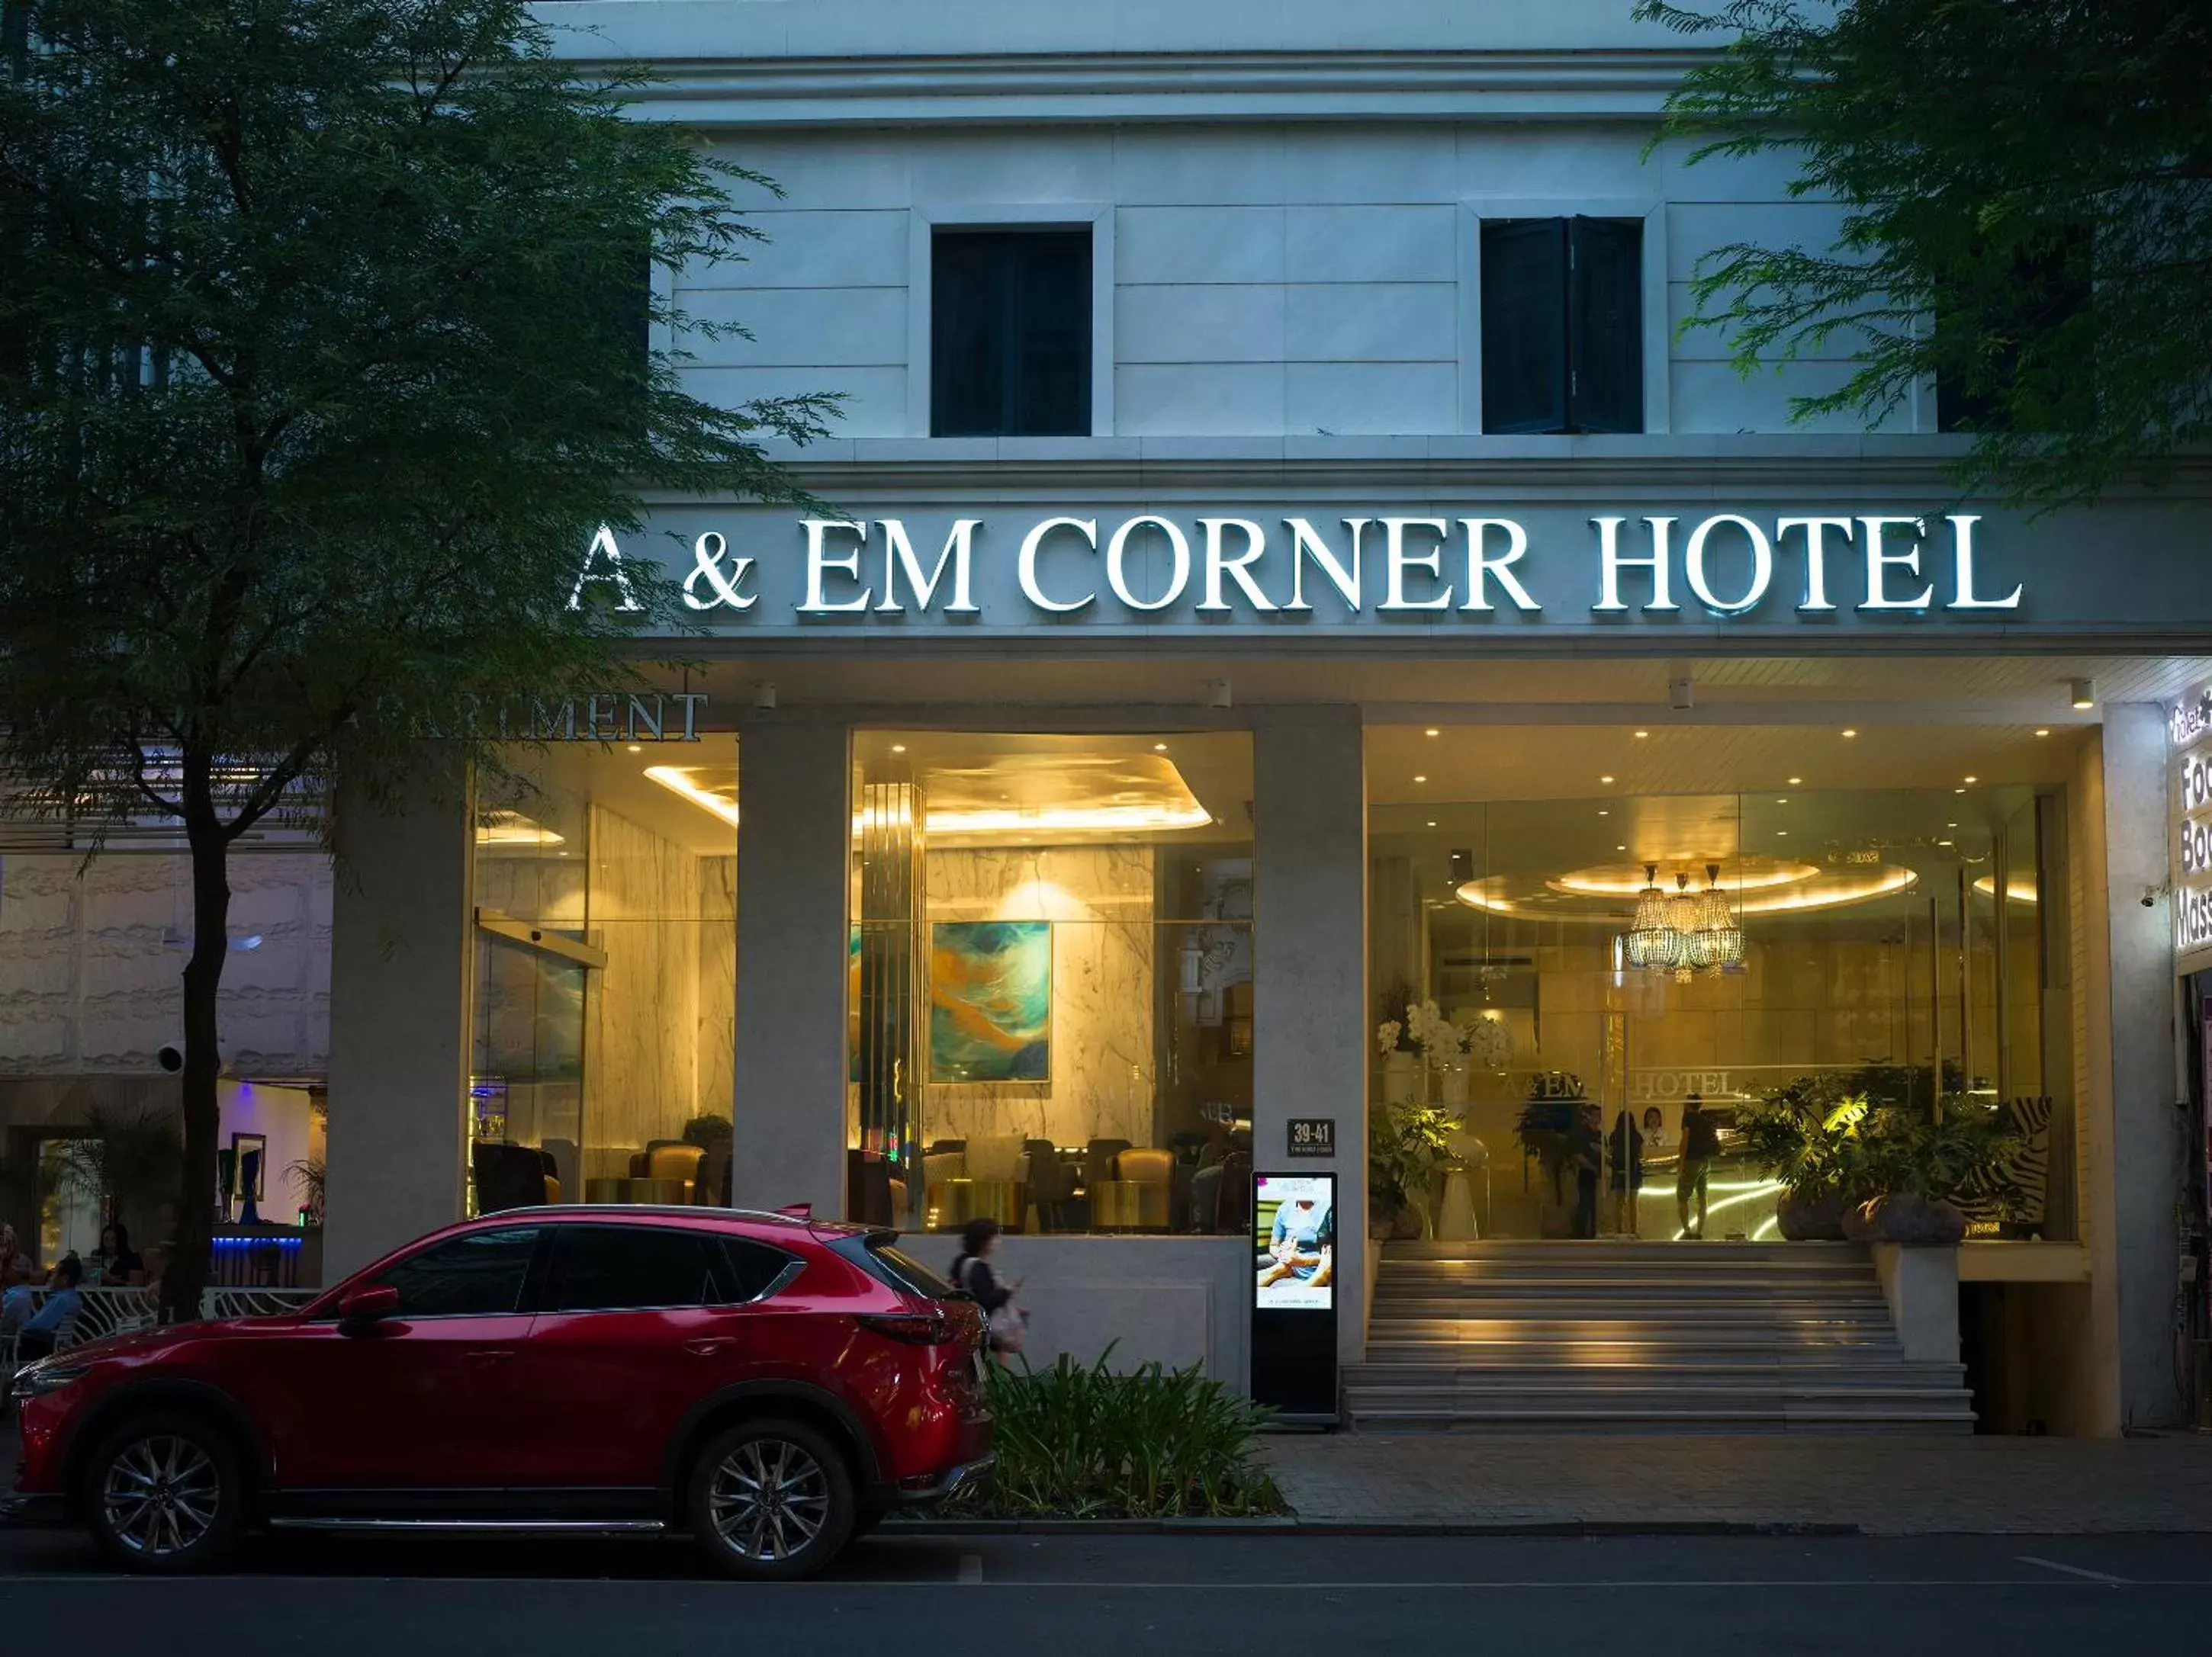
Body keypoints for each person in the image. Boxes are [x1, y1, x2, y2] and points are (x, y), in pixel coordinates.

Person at [949, 1218, 1023, 1359]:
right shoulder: (978, 1268)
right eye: (994, 1238)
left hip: (965, 1329)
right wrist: (1007, 1291)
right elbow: (985, 1301)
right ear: (984, 1242)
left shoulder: (961, 1262)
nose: (997, 1242)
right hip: (983, 1332)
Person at [1257, 1190, 1334, 1289]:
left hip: (1324, 1268)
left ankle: (1319, 1277)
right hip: (1292, 1267)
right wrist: (1284, 1255)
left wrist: (1305, 1261)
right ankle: (1282, 1269)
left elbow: (1342, 1255)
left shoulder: (1329, 1207)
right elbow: (1273, 1246)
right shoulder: (1284, 1208)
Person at [16, 1254, 84, 1362]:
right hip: (53, 1345)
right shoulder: (73, 1298)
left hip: (41, 1347)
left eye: (54, 1274)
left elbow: (40, 1325)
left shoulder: (61, 1300)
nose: (50, 1278)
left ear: (64, 1279)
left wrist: (20, 1326)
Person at [1677, 1093, 1721, 1239]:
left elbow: (1685, 1140)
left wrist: (1681, 1161)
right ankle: (1699, 1231)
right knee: (1702, 1197)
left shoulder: (1688, 1119)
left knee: (1683, 1197)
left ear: (1688, 1104)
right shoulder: (1705, 1120)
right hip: (1705, 1162)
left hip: (1691, 1161)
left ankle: (1687, 1231)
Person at [1608, 1106, 1645, 1236]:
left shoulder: (1614, 1135)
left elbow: (1610, 1153)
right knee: (1633, 1203)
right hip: (1634, 1170)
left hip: (1619, 1170)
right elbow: (1641, 1154)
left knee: (1619, 1203)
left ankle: (1619, 1229)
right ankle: (1634, 1230)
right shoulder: (1636, 1135)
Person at [1572, 1103, 1604, 1239]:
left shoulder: (1601, 1135)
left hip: (1599, 1175)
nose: (1598, 1118)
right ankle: (1580, 1234)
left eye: (1599, 1115)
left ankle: (1594, 1232)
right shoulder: (1582, 1134)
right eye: (1595, 1115)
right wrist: (1592, 1167)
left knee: (1596, 1206)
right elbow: (1578, 1155)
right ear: (1589, 1116)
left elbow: (1606, 1153)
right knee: (1585, 1202)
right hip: (1586, 1173)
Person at [88, 1221, 145, 1287]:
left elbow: (137, 1285)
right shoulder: (97, 1256)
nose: (109, 1243)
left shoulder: (133, 1259)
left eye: (113, 1239)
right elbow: (89, 1278)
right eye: (106, 1239)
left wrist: (114, 1281)